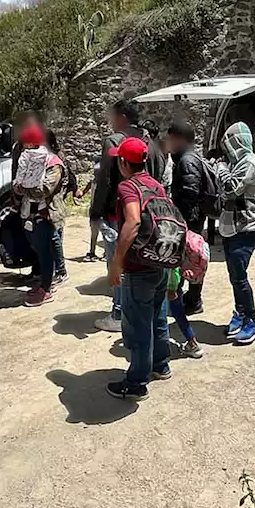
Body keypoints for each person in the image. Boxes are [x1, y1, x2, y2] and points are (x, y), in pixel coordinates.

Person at [105, 136, 172, 401]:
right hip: (160, 262)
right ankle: (160, 365)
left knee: (138, 324)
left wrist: (116, 263)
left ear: (123, 162)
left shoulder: (127, 188)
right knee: (157, 316)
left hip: (139, 266)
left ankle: (136, 382)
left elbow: (132, 222)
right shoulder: (156, 186)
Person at [91, 99, 164, 333]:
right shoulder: (151, 143)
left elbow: (104, 181)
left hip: (121, 214)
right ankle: (138, 308)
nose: (111, 121)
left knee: (118, 261)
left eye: (112, 116)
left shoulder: (114, 142)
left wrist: (96, 212)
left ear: (121, 117)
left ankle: (118, 312)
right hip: (149, 212)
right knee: (143, 260)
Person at [218, 122, 255, 346]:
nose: (227, 149)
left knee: (240, 276)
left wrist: (220, 169)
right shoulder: (237, 163)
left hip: (246, 227)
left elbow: (229, 188)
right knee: (234, 275)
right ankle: (240, 312)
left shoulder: (249, 164)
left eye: (229, 144)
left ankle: (253, 321)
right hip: (232, 226)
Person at [13, 123, 65, 306]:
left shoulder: (53, 163)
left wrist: (23, 189)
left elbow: (45, 189)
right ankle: (44, 282)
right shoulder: (27, 159)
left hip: (45, 214)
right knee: (38, 249)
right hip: (29, 213)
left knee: (45, 251)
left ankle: (46, 288)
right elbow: (19, 181)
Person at [163, 119, 209, 315]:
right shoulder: (187, 158)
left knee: (188, 259)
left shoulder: (187, 161)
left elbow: (190, 192)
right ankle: (188, 299)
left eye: (171, 139)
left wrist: (180, 220)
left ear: (179, 139)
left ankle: (190, 301)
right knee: (189, 259)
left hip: (188, 221)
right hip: (190, 220)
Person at [46, 129, 77, 286]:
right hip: (55, 202)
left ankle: (60, 270)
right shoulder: (51, 157)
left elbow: (67, 178)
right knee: (54, 236)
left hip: (55, 203)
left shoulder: (56, 159)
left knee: (54, 237)